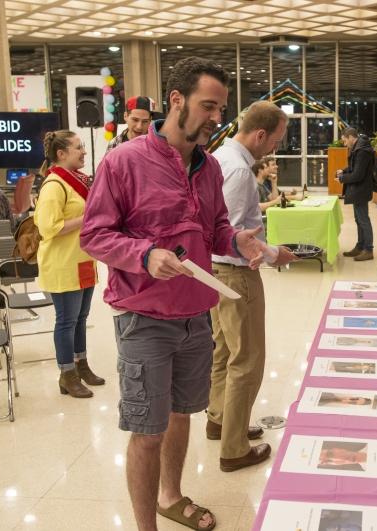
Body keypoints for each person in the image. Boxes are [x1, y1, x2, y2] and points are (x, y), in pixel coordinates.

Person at [80, 57, 270, 531]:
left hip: (196, 316)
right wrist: (144, 255)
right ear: (177, 101)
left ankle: (170, 495)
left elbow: (216, 228)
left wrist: (235, 240)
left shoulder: (206, 169)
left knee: (183, 412)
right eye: (208, 106)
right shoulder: (123, 162)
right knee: (148, 430)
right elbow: (94, 235)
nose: (216, 118)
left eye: (221, 109)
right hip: (143, 317)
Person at [208, 101, 297, 472]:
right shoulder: (241, 171)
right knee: (247, 360)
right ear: (260, 134)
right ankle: (234, 448)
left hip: (216, 272)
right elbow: (232, 235)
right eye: (275, 140)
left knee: (224, 351)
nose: (274, 149)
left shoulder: (221, 156)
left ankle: (219, 420)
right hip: (236, 274)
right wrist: (277, 254)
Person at [34, 130, 103, 399]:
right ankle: (67, 374)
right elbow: (48, 227)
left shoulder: (77, 181)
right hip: (62, 263)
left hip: (83, 259)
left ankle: (81, 364)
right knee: (66, 321)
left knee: (81, 319)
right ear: (61, 154)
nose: (84, 151)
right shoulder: (54, 185)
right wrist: (89, 218)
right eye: (78, 148)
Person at [336, 127, 376, 261]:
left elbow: (358, 175)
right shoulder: (358, 148)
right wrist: (343, 171)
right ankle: (360, 246)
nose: (344, 143)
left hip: (361, 190)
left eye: (345, 141)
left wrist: (342, 179)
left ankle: (368, 249)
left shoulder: (362, 151)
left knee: (363, 220)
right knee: (359, 219)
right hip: (358, 190)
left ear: (351, 137)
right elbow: (354, 168)